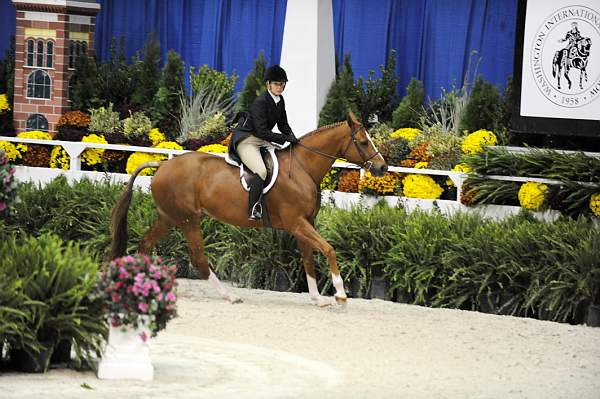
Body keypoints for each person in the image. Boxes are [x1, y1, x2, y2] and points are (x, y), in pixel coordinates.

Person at [227, 65, 300, 220]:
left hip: (262, 140)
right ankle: (253, 208)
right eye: (276, 84)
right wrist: (285, 139)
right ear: (268, 84)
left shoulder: (280, 101)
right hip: (248, 140)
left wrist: (294, 138)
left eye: (282, 84)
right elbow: (261, 131)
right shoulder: (260, 102)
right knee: (261, 171)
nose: (280, 87)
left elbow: (283, 125)